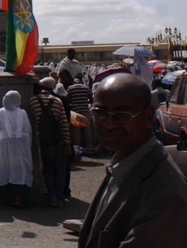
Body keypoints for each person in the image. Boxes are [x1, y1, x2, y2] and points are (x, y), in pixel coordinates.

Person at [79, 74, 187, 248]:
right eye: (100, 112)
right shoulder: (123, 165)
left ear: (148, 117)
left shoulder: (165, 195)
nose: (108, 124)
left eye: (122, 115)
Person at [28, 77, 71, 207]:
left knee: (47, 169)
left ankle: (52, 197)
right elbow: (64, 123)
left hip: (44, 139)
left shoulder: (33, 101)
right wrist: (67, 142)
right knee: (60, 170)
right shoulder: (57, 101)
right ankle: (61, 198)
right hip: (58, 140)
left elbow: (34, 121)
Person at [0, 91, 33, 207]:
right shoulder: (22, 113)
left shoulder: (0, 112)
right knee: (19, 168)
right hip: (19, 144)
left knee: (7, 168)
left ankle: (10, 195)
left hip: (5, 144)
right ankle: (18, 198)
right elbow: (27, 130)